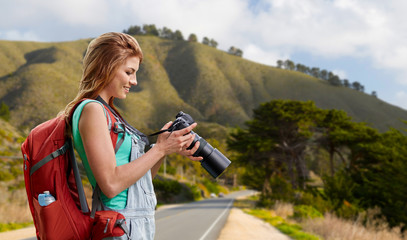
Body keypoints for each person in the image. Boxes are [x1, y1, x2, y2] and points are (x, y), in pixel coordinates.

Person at [60, 32, 202, 239]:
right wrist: (160, 149)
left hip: (136, 224)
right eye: (129, 72)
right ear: (106, 66)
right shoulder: (92, 110)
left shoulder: (109, 113)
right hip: (121, 226)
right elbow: (110, 185)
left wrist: (163, 149)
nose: (134, 81)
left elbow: (140, 183)